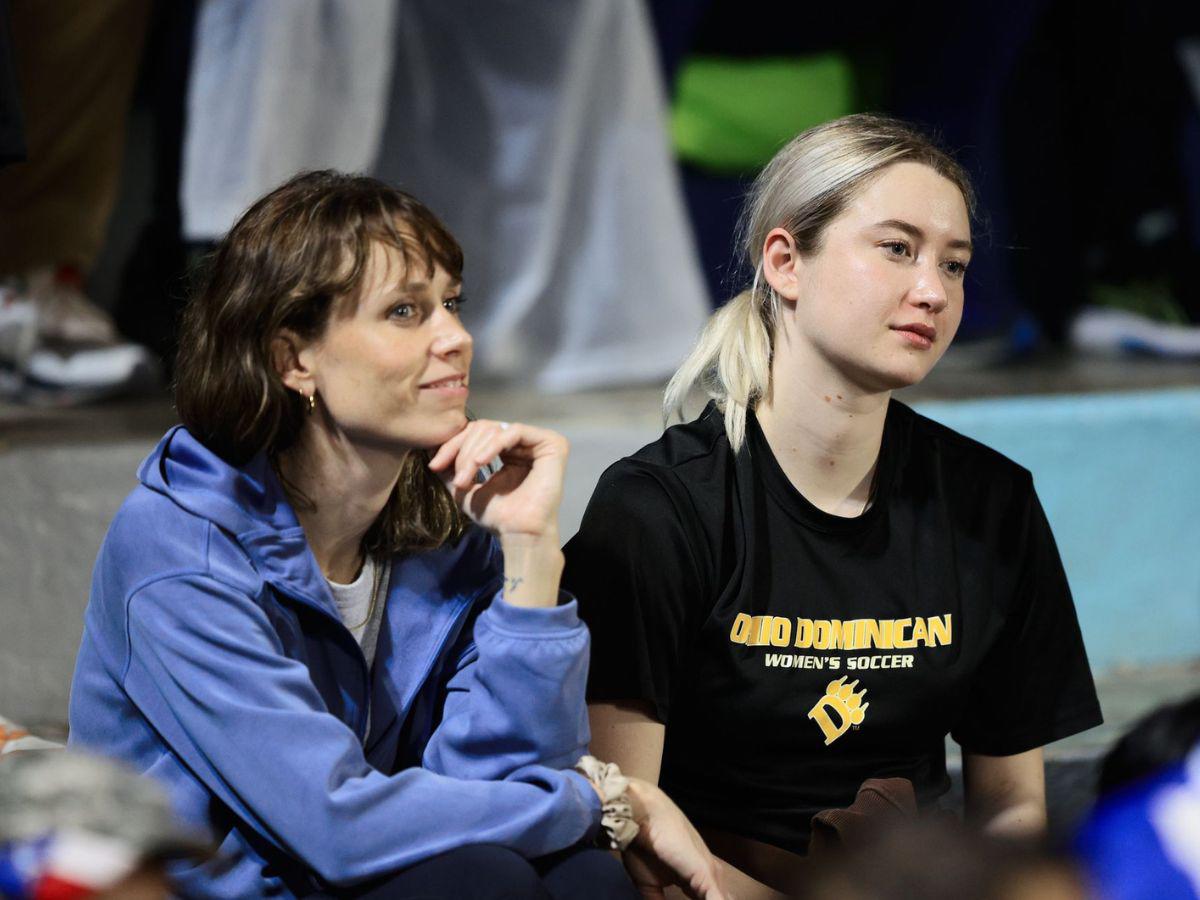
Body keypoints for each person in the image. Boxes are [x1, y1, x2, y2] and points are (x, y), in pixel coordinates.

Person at [67, 171, 724, 900]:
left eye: (452, 303)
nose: (457, 338)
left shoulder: (448, 529)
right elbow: (335, 823)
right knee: (488, 879)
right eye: (406, 311)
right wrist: (602, 802)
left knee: (579, 877)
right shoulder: (179, 548)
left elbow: (498, 784)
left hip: (377, 875)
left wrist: (530, 554)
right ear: (294, 359)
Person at [562, 114, 1103, 897]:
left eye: (954, 265)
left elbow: (1011, 809)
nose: (933, 291)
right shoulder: (658, 507)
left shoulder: (991, 502)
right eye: (897, 249)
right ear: (785, 262)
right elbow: (629, 829)